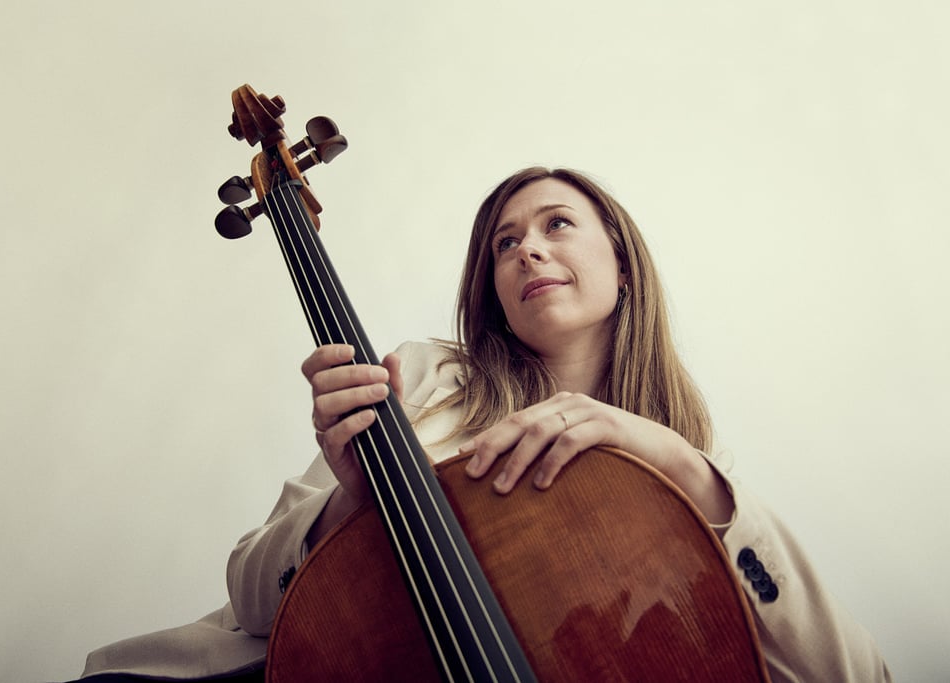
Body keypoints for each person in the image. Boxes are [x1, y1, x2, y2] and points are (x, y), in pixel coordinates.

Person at [78, 167, 891, 682]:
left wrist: (682, 464)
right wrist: (352, 501)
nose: (527, 250)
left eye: (556, 224)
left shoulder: (681, 480)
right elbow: (251, 595)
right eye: (505, 243)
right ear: (493, 290)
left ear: (623, 263)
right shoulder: (422, 380)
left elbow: (852, 673)